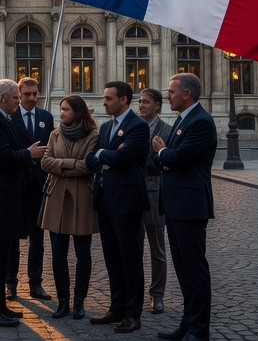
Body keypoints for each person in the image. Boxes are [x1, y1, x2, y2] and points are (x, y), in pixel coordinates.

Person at [0, 78, 47, 327]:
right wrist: (29, 154)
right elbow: (3, 157)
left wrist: (26, 152)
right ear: (3, 98)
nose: (19, 102)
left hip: (0, 199)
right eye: (16, 97)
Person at [151, 73, 218, 341]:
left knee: (195, 270)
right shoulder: (184, 118)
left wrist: (161, 153)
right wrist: (164, 155)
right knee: (183, 269)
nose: (167, 95)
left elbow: (179, 157)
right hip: (177, 204)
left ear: (186, 93)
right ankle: (187, 324)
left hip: (190, 205)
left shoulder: (200, 121)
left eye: (171, 91)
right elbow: (170, 159)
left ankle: (199, 330)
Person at [84, 80, 150, 334]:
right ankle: (117, 307)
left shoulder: (138, 126)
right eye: (104, 97)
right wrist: (104, 156)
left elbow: (123, 157)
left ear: (123, 100)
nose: (104, 102)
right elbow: (91, 159)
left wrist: (104, 155)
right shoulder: (107, 127)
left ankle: (133, 314)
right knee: (112, 258)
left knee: (130, 259)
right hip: (105, 199)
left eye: (109, 98)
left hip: (127, 201)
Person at [40, 94, 99, 320]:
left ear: (77, 111)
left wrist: (61, 165)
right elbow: (45, 162)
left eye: (65, 109)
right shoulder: (55, 133)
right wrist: (72, 164)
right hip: (56, 197)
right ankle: (63, 302)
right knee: (57, 254)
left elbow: (89, 166)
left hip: (82, 197)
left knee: (83, 254)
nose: (61, 113)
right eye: (60, 109)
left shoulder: (93, 135)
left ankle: (80, 302)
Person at [6, 77, 54, 301]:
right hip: (16, 181)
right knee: (12, 236)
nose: (33, 98)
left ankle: (36, 283)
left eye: (35, 94)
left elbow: (51, 150)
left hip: (39, 183)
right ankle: (10, 283)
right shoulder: (10, 116)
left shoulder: (46, 117)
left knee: (37, 238)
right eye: (27, 95)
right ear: (19, 93)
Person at [139, 87, 177, 315]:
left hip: (155, 193)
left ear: (158, 105)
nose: (141, 105)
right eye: (140, 102)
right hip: (134, 192)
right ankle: (134, 293)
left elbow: (166, 162)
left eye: (145, 102)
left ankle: (157, 294)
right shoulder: (133, 128)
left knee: (157, 249)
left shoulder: (167, 131)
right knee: (134, 247)